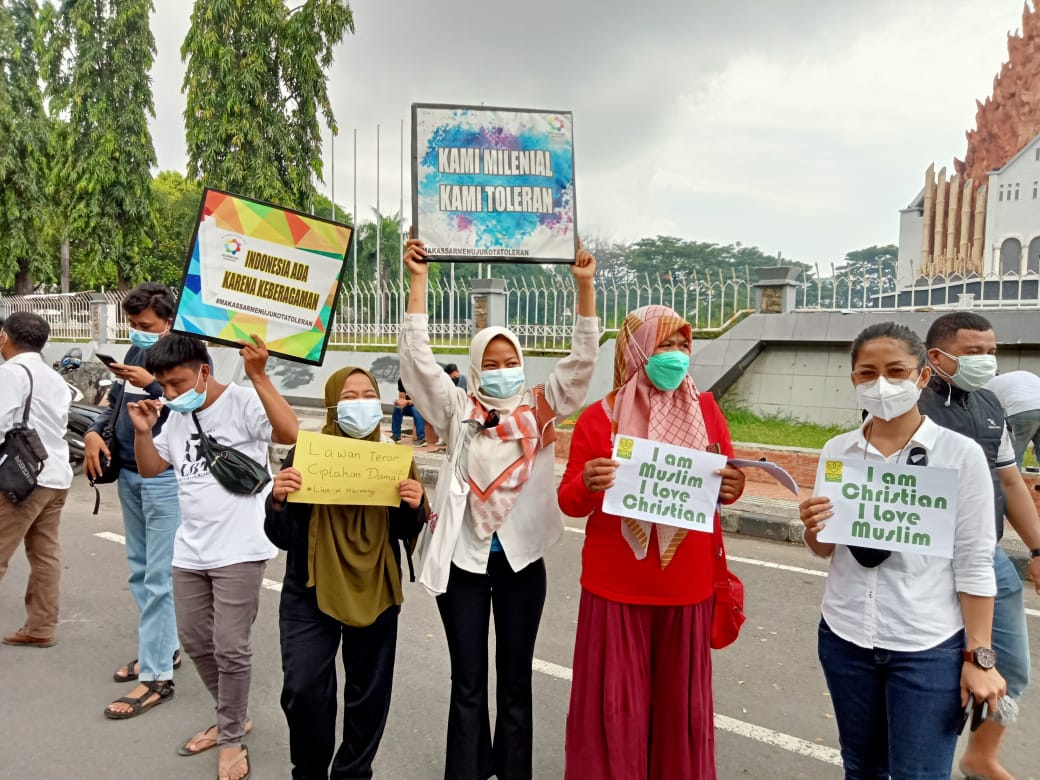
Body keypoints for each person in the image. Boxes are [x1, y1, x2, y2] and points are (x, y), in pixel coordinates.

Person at [399, 236, 598, 780]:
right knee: (468, 683)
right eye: (492, 362)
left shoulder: (539, 405)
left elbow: (582, 365)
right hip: (464, 565)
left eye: (511, 361)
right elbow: (416, 362)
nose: (503, 369)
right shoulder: (457, 409)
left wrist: (584, 288)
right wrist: (418, 281)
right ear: (475, 366)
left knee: (515, 681)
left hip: (520, 566)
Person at [799, 322, 1006, 778]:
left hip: (926, 647)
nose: (881, 384)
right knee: (862, 767)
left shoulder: (959, 455)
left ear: (922, 376)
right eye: (867, 373)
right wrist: (813, 527)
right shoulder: (839, 452)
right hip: (845, 637)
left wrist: (978, 656)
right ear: (853, 379)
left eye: (895, 371)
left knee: (920, 773)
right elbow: (826, 547)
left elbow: (974, 561)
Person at [557, 304, 747, 779]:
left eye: (685, 345)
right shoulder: (598, 420)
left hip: (687, 588)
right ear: (636, 349)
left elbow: (727, 477)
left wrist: (733, 485)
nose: (679, 356)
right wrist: (588, 481)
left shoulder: (705, 412)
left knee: (677, 712)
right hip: (614, 589)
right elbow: (570, 501)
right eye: (666, 345)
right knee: (614, 707)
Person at [128, 333, 298, 780]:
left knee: (230, 647)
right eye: (163, 385)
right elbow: (152, 467)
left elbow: (288, 433)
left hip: (240, 547)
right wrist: (145, 431)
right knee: (196, 641)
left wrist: (259, 375)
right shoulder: (177, 416)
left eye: (178, 382)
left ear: (205, 370)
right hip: (191, 550)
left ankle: (230, 740)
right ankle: (232, 716)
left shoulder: (241, 401)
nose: (170, 393)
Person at [264, 366, 427, 780]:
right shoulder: (307, 455)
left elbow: (406, 531)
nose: (360, 403)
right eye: (350, 396)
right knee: (302, 689)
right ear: (333, 404)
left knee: (368, 695)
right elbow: (282, 537)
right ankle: (310, 770)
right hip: (310, 586)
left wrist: (414, 506)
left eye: (368, 394)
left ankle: (354, 772)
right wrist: (278, 500)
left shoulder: (395, 461)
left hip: (376, 585)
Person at [917, 312, 1040, 780]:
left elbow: (1010, 479)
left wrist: (1037, 550)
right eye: (973, 352)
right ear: (937, 356)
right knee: (937, 676)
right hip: (929, 561)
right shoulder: (912, 406)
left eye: (991, 351)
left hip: (990, 561)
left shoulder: (990, 404)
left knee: (1009, 667)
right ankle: (923, 765)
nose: (986, 360)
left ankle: (981, 756)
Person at [84, 284, 184, 719]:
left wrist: (156, 386)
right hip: (127, 472)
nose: (138, 333)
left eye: (146, 326)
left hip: (164, 477)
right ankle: (164, 649)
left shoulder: (187, 354)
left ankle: (158, 676)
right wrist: (93, 429)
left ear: (167, 321)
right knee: (142, 572)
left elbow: (196, 408)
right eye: (133, 325)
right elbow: (116, 401)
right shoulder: (134, 350)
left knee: (159, 578)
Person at [0, 312, 73, 648]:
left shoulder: (12, 373)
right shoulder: (54, 377)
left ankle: (40, 628)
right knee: (45, 553)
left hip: (22, 478)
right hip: (55, 475)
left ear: (5, 337)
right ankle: (41, 627)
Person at [985, 369, 1040, 469]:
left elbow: (990, 413)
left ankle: (1012, 484)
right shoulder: (1011, 377)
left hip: (1022, 408)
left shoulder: (986, 385)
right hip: (1031, 403)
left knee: (1012, 456)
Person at [391, 378, 426, 446]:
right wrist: (400, 402)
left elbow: (422, 401)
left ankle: (421, 438)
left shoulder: (422, 380)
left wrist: (407, 402)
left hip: (424, 407)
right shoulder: (402, 380)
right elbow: (402, 397)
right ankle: (396, 436)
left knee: (415, 408)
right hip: (409, 405)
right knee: (397, 408)